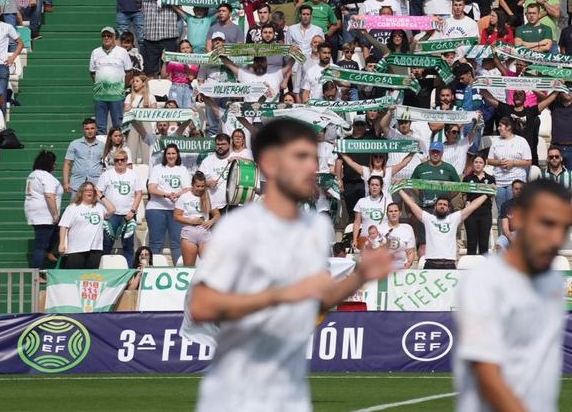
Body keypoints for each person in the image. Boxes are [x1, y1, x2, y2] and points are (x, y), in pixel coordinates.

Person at [187, 119, 392, 411]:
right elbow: (201, 305)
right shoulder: (239, 228)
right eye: (301, 157)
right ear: (270, 164)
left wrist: (360, 276)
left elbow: (315, 298)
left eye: (313, 157)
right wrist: (282, 295)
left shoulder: (316, 228)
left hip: (292, 396)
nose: (312, 167)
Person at [455, 178, 572, 412]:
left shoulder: (552, 281)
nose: (556, 238)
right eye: (547, 223)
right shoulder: (485, 281)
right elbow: (486, 373)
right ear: (518, 218)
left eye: (564, 228)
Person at [399, 190, 489, 269]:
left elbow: (472, 206)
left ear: (448, 208)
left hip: (449, 265)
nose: (442, 206)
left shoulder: (454, 218)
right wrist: (399, 190)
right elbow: (411, 204)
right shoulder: (428, 218)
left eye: (445, 205)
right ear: (435, 207)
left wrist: (487, 194)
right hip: (431, 264)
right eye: (440, 204)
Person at [147, 144, 193, 262]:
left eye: (173, 153)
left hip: (176, 211)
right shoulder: (158, 168)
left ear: (177, 155)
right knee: (156, 243)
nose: (171, 156)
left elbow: (188, 188)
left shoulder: (182, 169)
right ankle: (152, 270)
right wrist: (166, 194)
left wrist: (177, 194)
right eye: (168, 153)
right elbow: (151, 188)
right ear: (165, 155)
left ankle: (177, 270)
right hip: (156, 209)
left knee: (177, 243)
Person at [58, 182, 114, 269]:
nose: (90, 192)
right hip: (76, 248)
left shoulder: (99, 207)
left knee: (90, 276)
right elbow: (63, 226)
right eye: (87, 190)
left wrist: (100, 195)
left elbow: (112, 209)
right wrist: (62, 244)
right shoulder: (72, 208)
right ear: (81, 192)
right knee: (76, 275)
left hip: (95, 248)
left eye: (92, 190)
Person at [24, 149, 62, 270]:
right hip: (45, 214)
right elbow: (49, 195)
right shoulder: (46, 176)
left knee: (58, 231)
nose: (56, 165)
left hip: (34, 212)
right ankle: (36, 273)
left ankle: (48, 252)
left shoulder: (33, 174)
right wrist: (55, 214)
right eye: (54, 162)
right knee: (41, 246)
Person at [175, 171, 219, 267]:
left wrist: (211, 221)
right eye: (197, 186)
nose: (200, 189)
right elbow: (176, 216)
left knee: (209, 267)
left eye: (202, 186)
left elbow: (217, 214)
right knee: (189, 268)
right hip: (189, 233)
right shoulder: (184, 197)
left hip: (205, 232)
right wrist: (191, 221)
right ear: (192, 185)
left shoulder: (208, 196)